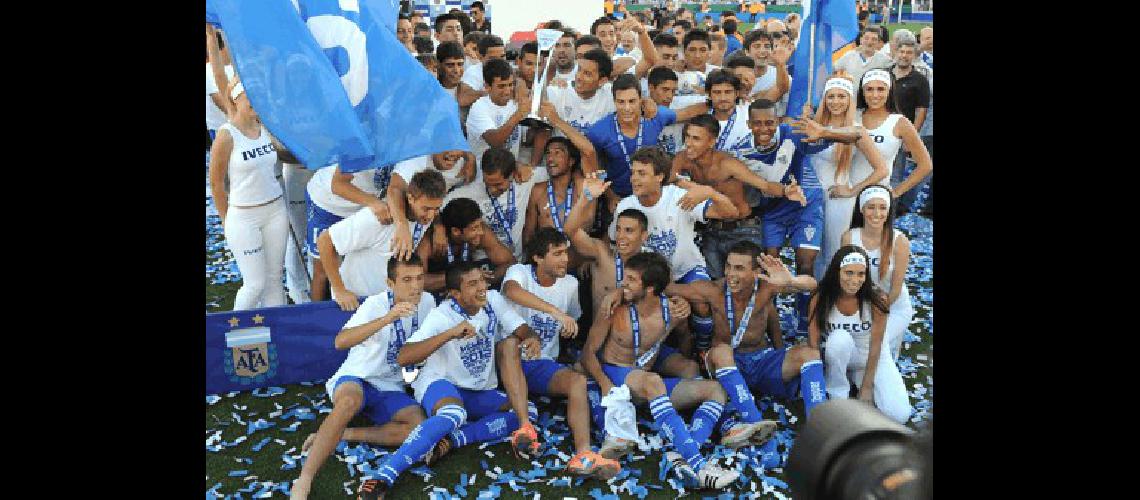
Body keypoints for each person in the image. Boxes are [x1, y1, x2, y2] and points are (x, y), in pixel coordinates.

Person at [356, 262, 544, 499]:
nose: (482, 288)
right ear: (455, 293)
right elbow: (405, 356)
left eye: (482, 281)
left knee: (527, 410)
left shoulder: (493, 300)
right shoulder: (442, 315)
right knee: (454, 414)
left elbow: (522, 328)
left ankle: (452, 440)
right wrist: (449, 333)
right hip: (439, 381)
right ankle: (383, 475)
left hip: (476, 388)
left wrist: (531, 338)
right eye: (472, 284)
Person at [579, 252, 741, 488]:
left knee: (716, 389)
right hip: (616, 378)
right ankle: (698, 465)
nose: (623, 283)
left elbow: (685, 348)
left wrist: (679, 322)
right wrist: (605, 384)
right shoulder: (614, 308)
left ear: (651, 288)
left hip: (646, 386)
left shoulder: (671, 311)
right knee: (653, 380)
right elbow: (587, 354)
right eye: (626, 276)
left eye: (632, 279)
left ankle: (684, 452)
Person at [290, 257, 436, 499]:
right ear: (391, 283)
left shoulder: (428, 302)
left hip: (390, 385)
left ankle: (345, 434)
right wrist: (387, 319)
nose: (415, 286)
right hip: (358, 376)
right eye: (407, 280)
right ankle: (304, 480)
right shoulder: (376, 304)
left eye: (419, 278)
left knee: (418, 428)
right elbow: (340, 341)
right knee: (348, 403)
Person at [663, 241, 823, 442]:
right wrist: (674, 300)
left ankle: (819, 427)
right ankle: (754, 423)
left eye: (739, 268)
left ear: (756, 272)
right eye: (728, 266)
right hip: (727, 366)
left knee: (809, 354)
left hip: (761, 362)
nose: (731, 274)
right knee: (721, 351)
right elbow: (669, 288)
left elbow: (812, 284)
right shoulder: (713, 290)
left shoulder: (768, 286)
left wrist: (791, 281)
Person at [735, 98, 867, 340]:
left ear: (777, 121)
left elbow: (857, 134)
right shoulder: (741, 152)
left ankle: (805, 322)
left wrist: (824, 131)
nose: (764, 129)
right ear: (748, 124)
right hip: (772, 212)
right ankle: (766, 324)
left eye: (769, 123)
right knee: (769, 268)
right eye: (758, 124)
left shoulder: (793, 133)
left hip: (805, 205)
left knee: (805, 263)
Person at [499, 229, 623, 478]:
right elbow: (511, 291)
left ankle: (583, 454)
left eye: (565, 252)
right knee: (509, 344)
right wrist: (555, 312)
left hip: (540, 364)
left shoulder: (570, 284)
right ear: (537, 257)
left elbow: (573, 319)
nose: (565, 259)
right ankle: (525, 427)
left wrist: (568, 330)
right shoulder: (520, 273)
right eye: (557, 254)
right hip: (506, 363)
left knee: (577, 380)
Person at [606, 146, 744, 360]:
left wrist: (708, 192)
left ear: (660, 176)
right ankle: (671, 357)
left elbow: (731, 213)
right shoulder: (626, 205)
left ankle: (704, 350)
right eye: (633, 172)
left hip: (686, 269)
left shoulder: (679, 197)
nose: (634, 179)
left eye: (642, 173)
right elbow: (614, 242)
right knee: (674, 317)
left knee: (702, 303)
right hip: (650, 277)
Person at [671, 113, 805, 280]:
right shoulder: (683, 158)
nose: (688, 144)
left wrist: (786, 191)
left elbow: (764, 185)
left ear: (711, 142)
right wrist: (692, 186)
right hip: (711, 231)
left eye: (696, 139)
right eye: (687, 137)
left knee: (750, 286)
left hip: (743, 230)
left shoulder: (727, 164)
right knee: (716, 286)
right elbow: (667, 179)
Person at [209, 79, 300, 311]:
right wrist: (225, 219)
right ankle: (233, 333)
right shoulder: (227, 135)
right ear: (236, 99)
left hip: (275, 210)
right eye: (249, 96)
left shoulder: (266, 128)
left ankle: (276, 336)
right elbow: (217, 183)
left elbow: (286, 156)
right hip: (244, 215)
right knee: (254, 284)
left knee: (274, 281)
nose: (255, 101)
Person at [808, 245, 912, 424]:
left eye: (860, 274)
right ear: (837, 272)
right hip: (839, 352)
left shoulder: (876, 300)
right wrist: (814, 378)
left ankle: (856, 380)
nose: (855, 280)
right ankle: (838, 392)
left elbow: (877, 345)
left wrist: (866, 388)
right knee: (839, 339)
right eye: (849, 273)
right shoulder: (821, 297)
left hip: (872, 357)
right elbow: (813, 341)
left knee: (899, 414)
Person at [316, 170, 446, 311]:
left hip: (384, 304)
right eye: (426, 209)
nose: (431, 215)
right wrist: (339, 290)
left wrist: (439, 227)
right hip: (353, 302)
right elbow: (325, 241)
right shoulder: (377, 219)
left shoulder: (425, 218)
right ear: (410, 198)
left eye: (436, 209)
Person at [806, 72, 890, 279]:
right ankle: (811, 299)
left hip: (838, 199)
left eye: (841, 96)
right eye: (831, 96)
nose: (836, 101)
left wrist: (852, 190)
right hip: (810, 198)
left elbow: (882, 169)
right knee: (809, 252)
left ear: (850, 100)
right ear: (824, 99)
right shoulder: (812, 127)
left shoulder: (856, 131)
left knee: (833, 253)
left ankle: (831, 301)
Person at [584, 74, 708, 201]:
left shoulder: (655, 117)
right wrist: (610, 197)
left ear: (641, 100)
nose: (627, 108)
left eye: (632, 101)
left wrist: (714, 102)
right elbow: (591, 165)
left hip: (653, 194)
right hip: (618, 196)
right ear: (614, 101)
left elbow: (687, 112)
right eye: (621, 102)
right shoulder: (599, 131)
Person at [841, 185, 913, 361]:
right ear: (862, 209)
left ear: (888, 211)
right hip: (860, 304)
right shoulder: (850, 237)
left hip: (893, 307)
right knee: (850, 346)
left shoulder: (900, 241)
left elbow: (895, 290)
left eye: (882, 208)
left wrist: (876, 314)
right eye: (871, 207)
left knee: (876, 345)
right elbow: (845, 278)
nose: (876, 213)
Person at [445, 147, 548, 261]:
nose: (492, 189)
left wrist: (521, 165)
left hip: (519, 259)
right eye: (487, 183)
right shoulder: (470, 188)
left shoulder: (525, 178)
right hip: (483, 260)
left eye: (498, 184)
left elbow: (566, 169)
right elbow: (439, 208)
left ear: (512, 175)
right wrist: (438, 227)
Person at [854, 69, 933, 215]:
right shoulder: (853, 117)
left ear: (890, 91)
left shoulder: (899, 122)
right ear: (862, 91)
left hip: (876, 201)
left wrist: (896, 192)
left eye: (881, 89)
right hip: (846, 195)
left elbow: (926, 165)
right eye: (869, 89)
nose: (875, 95)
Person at [521, 102, 596, 250]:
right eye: (548, 153)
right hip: (547, 260)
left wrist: (555, 120)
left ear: (571, 161)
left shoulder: (583, 186)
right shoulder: (538, 191)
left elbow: (589, 151)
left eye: (558, 153)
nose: (550, 158)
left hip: (577, 257)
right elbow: (529, 234)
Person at [421, 197, 515, 293]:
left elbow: (510, 263)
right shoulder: (429, 242)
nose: (481, 232)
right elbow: (419, 281)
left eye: (480, 225)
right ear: (456, 231)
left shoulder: (480, 233)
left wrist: (483, 279)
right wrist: (462, 278)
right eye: (474, 228)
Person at [465, 59, 528, 164]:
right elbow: (495, 142)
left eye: (510, 84)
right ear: (487, 87)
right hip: (484, 173)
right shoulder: (479, 107)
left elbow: (527, 139)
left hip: (511, 169)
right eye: (501, 86)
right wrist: (519, 114)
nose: (507, 91)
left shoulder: (516, 102)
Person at [458, 35, 507, 107]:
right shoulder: (473, 72)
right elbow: (463, 99)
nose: (499, 61)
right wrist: (492, 93)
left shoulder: (509, 69)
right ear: (480, 57)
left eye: (502, 57)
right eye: (493, 58)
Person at [676, 29, 718, 96]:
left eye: (703, 50)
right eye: (692, 50)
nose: (697, 56)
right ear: (684, 51)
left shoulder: (718, 75)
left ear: (709, 52)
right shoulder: (674, 76)